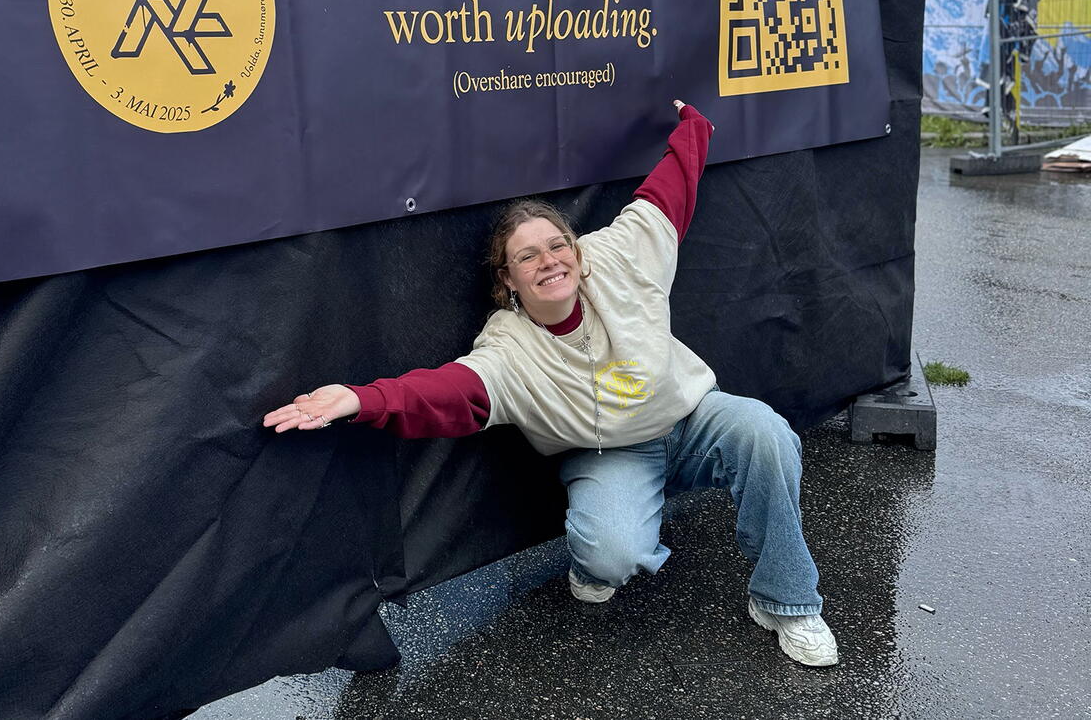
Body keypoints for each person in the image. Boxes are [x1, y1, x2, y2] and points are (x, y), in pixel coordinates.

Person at [263, 100, 839, 667]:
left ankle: (785, 602)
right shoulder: (509, 347)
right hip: (613, 453)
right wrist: (359, 399)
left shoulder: (615, 257)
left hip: (691, 417)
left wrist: (694, 129)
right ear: (508, 280)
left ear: (577, 251)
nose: (550, 261)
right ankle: (598, 556)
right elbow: (445, 391)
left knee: (764, 432)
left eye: (558, 244)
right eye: (528, 256)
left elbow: (668, 196)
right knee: (611, 556)